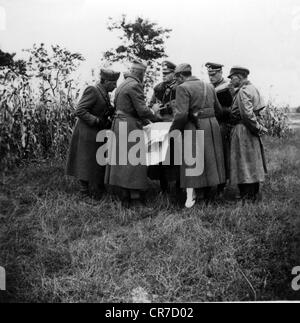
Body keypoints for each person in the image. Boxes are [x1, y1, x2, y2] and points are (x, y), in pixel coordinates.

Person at [105, 60, 161, 208]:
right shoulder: (135, 85)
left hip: (118, 124)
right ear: (140, 73)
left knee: (122, 161)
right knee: (134, 162)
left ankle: (124, 197)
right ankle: (135, 199)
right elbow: (142, 110)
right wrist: (155, 112)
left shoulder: (123, 84)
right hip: (129, 125)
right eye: (143, 74)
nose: (143, 77)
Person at [170, 63, 226, 208]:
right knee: (209, 160)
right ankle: (207, 193)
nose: (176, 82)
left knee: (192, 161)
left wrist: (174, 130)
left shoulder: (182, 88)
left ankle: (194, 196)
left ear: (181, 76)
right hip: (211, 125)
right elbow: (219, 110)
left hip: (193, 125)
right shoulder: (209, 86)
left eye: (177, 78)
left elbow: (181, 114)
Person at [66, 69, 120, 199]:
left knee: (94, 160)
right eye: (113, 83)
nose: (115, 86)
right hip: (86, 131)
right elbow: (80, 110)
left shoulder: (104, 93)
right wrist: (96, 120)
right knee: (85, 160)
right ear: (105, 81)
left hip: (95, 131)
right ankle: (83, 193)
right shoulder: (93, 90)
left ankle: (97, 188)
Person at [227, 66, 268, 201]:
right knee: (252, 163)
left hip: (243, 129)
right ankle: (253, 194)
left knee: (243, 163)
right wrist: (258, 128)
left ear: (239, 77)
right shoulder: (252, 88)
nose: (231, 81)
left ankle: (246, 196)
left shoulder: (243, 91)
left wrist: (257, 128)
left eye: (232, 78)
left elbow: (247, 115)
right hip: (250, 129)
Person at [148, 60, 180, 193]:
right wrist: (154, 110)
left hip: (175, 124)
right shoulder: (158, 87)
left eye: (167, 73)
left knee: (176, 156)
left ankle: (178, 185)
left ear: (174, 74)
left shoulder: (180, 87)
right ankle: (163, 186)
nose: (164, 75)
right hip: (160, 126)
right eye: (163, 73)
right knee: (161, 156)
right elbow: (151, 104)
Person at [205, 62, 233, 198]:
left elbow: (233, 109)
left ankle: (222, 186)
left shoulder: (228, 87)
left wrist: (218, 111)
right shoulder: (208, 87)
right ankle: (209, 183)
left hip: (224, 123)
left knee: (222, 155)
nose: (211, 77)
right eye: (209, 74)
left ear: (221, 72)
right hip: (211, 122)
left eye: (214, 74)